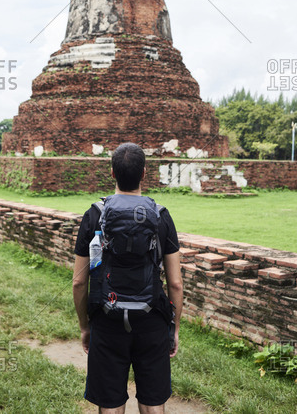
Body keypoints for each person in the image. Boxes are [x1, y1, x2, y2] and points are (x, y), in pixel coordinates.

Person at [73, 142, 183, 414]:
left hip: (107, 319)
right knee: (153, 401)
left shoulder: (94, 216)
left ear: (112, 173)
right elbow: (176, 284)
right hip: (152, 319)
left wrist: (85, 326)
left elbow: (78, 281)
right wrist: (174, 328)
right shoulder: (161, 217)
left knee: (110, 403)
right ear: (144, 173)